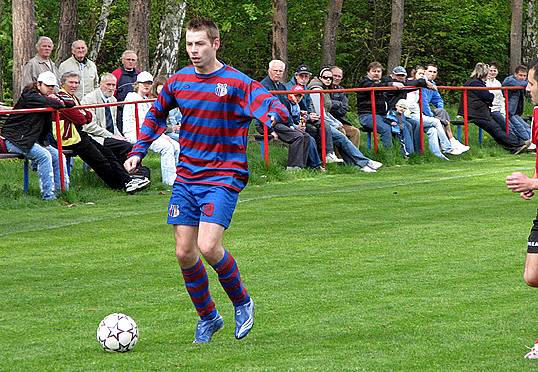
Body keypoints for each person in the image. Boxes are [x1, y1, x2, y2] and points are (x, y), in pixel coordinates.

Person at [124, 17, 289, 343]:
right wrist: (138, 150)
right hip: (187, 177)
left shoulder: (237, 83)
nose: (194, 50)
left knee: (208, 245)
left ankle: (242, 302)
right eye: (189, 44)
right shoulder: (179, 81)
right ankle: (209, 317)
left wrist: (274, 115)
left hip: (224, 175)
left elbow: (269, 104)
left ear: (215, 44)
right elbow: (156, 114)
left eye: (200, 44)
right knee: (185, 253)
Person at [54, 71, 150, 193]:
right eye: (71, 82)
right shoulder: (64, 97)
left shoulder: (73, 97)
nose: (74, 85)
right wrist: (85, 117)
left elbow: (86, 117)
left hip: (79, 134)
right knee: (100, 160)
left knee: (110, 153)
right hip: (72, 137)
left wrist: (117, 136)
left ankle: (131, 178)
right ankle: (121, 184)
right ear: (62, 83)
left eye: (77, 83)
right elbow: (82, 119)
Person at [505, 57, 538, 358]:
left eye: (531, 82)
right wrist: (533, 182)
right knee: (533, 276)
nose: (526, 88)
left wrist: (533, 182)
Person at [1, 71, 69, 200]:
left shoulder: (45, 98)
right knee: (44, 156)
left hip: (32, 140)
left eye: (52, 86)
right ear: (38, 84)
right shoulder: (30, 96)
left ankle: (63, 192)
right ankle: (48, 196)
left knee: (59, 155)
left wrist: (59, 100)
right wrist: (58, 101)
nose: (50, 89)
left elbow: (68, 103)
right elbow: (57, 104)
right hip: (15, 139)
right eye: (47, 85)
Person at [309, 68, 382, 172]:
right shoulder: (317, 90)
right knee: (342, 137)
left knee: (354, 132)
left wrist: (337, 120)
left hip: (334, 121)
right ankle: (363, 162)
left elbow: (344, 108)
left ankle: (357, 163)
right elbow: (320, 113)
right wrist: (335, 122)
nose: (329, 79)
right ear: (320, 77)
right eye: (325, 77)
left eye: (330, 78)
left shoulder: (330, 89)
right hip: (321, 123)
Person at [123, 71, 180, 185]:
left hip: (147, 132)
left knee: (176, 146)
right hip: (135, 133)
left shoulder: (147, 100)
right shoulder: (132, 98)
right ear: (137, 84)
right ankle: (169, 181)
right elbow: (140, 125)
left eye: (149, 83)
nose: (146, 85)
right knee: (166, 147)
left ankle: (177, 177)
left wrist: (162, 135)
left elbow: (153, 123)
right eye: (143, 83)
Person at [458, 63, 529, 154]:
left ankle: (515, 145)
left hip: (478, 112)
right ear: (484, 73)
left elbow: (487, 97)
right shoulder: (476, 83)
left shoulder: (474, 82)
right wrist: (490, 97)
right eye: (488, 72)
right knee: (496, 129)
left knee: (497, 128)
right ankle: (516, 145)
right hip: (476, 113)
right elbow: (488, 96)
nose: (489, 74)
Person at [260, 60, 313, 170]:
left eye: (280, 71)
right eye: (275, 70)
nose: (278, 73)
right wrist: (270, 130)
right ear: (269, 70)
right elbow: (260, 111)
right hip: (269, 123)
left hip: (282, 122)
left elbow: (285, 110)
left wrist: (293, 125)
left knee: (306, 136)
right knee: (297, 136)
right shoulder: (263, 87)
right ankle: (293, 167)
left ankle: (301, 167)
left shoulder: (282, 87)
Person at [286, 64, 341, 163]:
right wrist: (301, 121)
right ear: (296, 76)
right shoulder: (290, 89)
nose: (303, 79)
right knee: (312, 133)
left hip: (305, 118)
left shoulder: (306, 88)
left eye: (306, 76)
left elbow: (310, 107)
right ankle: (316, 162)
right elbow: (287, 113)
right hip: (294, 122)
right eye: (301, 76)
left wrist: (310, 115)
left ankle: (329, 154)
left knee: (324, 125)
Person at [405, 66, 461, 159]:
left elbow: (437, 99)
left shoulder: (424, 85)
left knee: (433, 130)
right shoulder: (411, 85)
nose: (422, 76)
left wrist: (437, 111)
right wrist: (430, 116)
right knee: (436, 122)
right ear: (414, 75)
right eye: (420, 74)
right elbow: (417, 104)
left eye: (423, 74)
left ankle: (437, 155)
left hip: (418, 114)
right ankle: (448, 147)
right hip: (409, 115)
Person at [81, 73, 133, 163]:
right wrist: (111, 135)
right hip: (95, 136)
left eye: (113, 85)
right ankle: (122, 172)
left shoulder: (113, 100)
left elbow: (113, 124)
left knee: (129, 144)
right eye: (108, 84)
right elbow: (89, 126)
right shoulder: (89, 99)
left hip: (109, 135)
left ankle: (127, 172)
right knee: (125, 146)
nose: (111, 88)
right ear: (100, 84)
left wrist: (119, 136)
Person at [423, 64, 469, 153]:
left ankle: (450, 143)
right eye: (430, 71)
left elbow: (438, 99)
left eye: (434, 72)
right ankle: (451, 142)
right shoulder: (423, 84)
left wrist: (440, 109)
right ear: (425, 72)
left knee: (442, 113)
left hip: (426, 111)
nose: (432, 74)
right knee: (440, 118)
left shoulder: (432, 84)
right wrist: (431, 115)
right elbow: (423, 103)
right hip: (418, 112)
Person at [357, 61, 402, 148]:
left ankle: (403, 153)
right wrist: (390, 84)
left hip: (383, 115)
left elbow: (405, 82)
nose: (376, 73)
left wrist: (424, 83)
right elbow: (374, 87)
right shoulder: (364, 82)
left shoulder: (381, 82)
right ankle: (389, 156)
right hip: (367, 115)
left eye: (379, 71)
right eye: (374, 71)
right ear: (368, 72)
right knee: (386, 129)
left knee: (404, 125)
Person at [330, 66, 361, 147]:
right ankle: (339, 158)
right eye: (334, 75)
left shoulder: (341, 90)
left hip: (340, 120)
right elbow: (325, 106)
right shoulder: (323, 88)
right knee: (340, 132)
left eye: (339, 76)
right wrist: (338, 104)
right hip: (328, 121)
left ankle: (354, 157)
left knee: (355, 131)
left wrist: (333, 106)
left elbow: (345, 108)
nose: (336, 78)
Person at [112, 50, 140, 133]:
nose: (130, 62)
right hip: (120, 110)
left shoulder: (139, 75)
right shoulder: (116, 74)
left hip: (136, 110)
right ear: (123, 60)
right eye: (128, 59)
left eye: (133, 60)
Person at [502, 65, 532, 142]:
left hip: (514, 113)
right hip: (507, 113)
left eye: (524, 76)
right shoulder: (510, 80)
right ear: (515, 74)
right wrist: (530, 83)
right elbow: (522, 84)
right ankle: (529, 143)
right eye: (520, 75)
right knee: (521, 129)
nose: (522, 77)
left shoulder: (520, 82)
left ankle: (533, 142)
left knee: (527, 127)